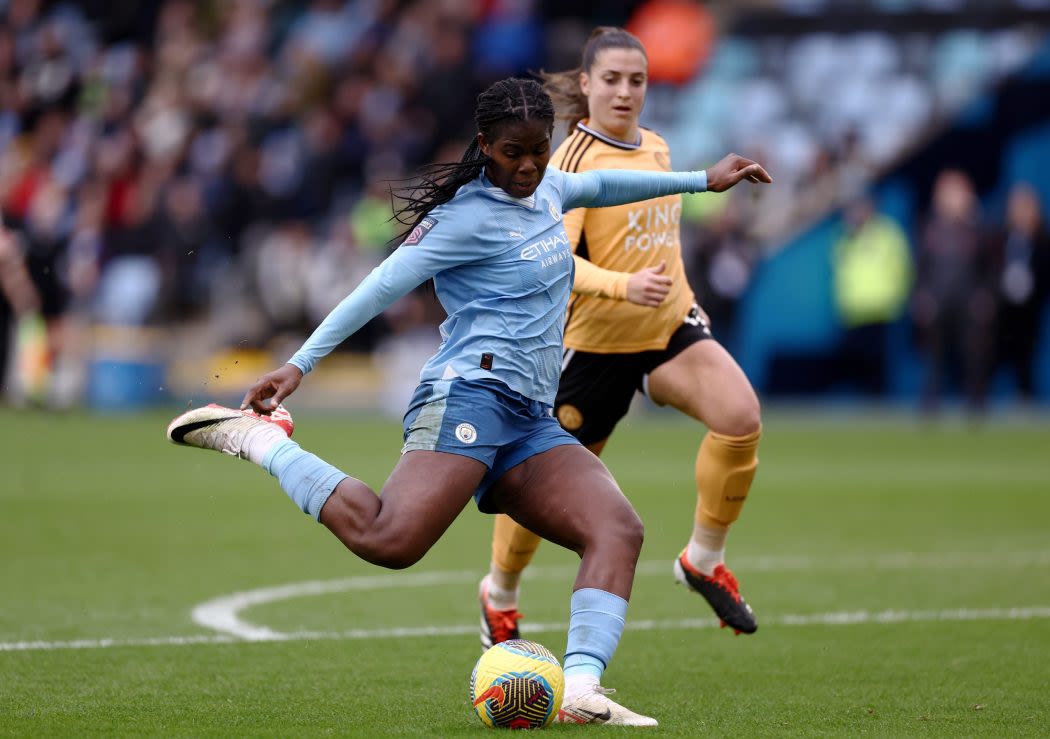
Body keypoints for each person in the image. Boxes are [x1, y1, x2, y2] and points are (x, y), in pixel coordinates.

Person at [165, 77, 771, 727]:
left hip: (531, 419)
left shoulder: (551, 188)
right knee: (390, 539)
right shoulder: (461, 218)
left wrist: (702, 179)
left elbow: (599, 186)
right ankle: (261, 439)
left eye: (540, 150)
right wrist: (299, 365)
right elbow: (379, 286)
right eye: (514, 152)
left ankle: (580, 687)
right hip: (469, 395)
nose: (531, 165)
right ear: (486, 146)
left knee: (617, 528)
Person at [477, 28, 767, 652]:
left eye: (636, 80)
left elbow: (660, 236)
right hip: (594, 348)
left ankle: (702, 558)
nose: (625, 91)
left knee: (741, 417)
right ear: (585, 85)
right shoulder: (572, 161)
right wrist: (620, 285)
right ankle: (499, 593)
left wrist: (671, 290)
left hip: (668, 329)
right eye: (611, 79)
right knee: (541, 491)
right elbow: (547, 257)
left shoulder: (659, 148)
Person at [830, 195, 913, 396]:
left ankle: (878, 404)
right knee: (856, 362)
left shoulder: (887, 233)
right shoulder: (844, 237)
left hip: (880, 309)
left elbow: (903, 268)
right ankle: (862, 404)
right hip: (853, 311)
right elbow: (841, 273)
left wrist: (897, 298)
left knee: (879, 362)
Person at [993, 183, 1050, 402]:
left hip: (1031, 310)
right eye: (1016, 208)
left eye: (1026, 208)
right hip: (1003, 310)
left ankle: (1026, 398)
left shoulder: (1043, 241)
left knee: (1026, 357)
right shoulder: (1001, 238)